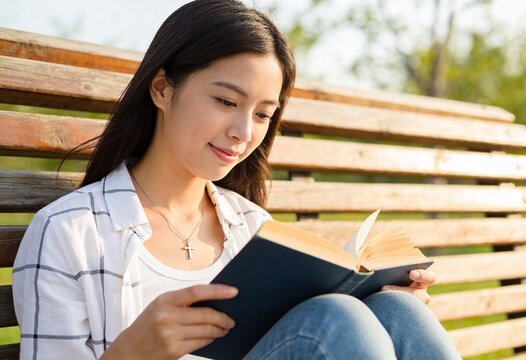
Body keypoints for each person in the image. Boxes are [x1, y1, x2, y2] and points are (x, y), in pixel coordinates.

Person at [12, 0, 461, 359]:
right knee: (337, 320)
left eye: (263, 114)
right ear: (162, 88)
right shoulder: (71, 231)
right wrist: (134, 353)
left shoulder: (253, 228)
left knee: (396, 309)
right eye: (227, 101)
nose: (244, 133)